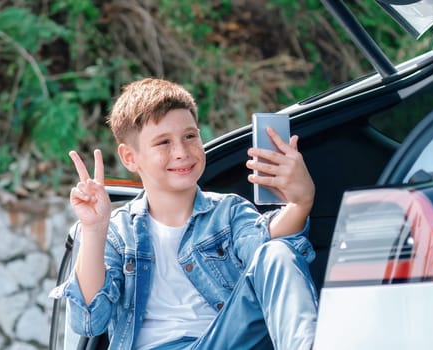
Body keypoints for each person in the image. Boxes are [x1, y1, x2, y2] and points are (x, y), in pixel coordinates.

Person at [52, 78, 318, 350]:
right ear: (130, 157)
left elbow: (263, 247)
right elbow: (88, 323)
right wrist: (95, 229)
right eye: (163, 142)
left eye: (190, 136)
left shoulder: (228, 212)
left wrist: (300, 204)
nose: (182, 152)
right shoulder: (118, 233)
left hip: (225, 341)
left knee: (276, 252)